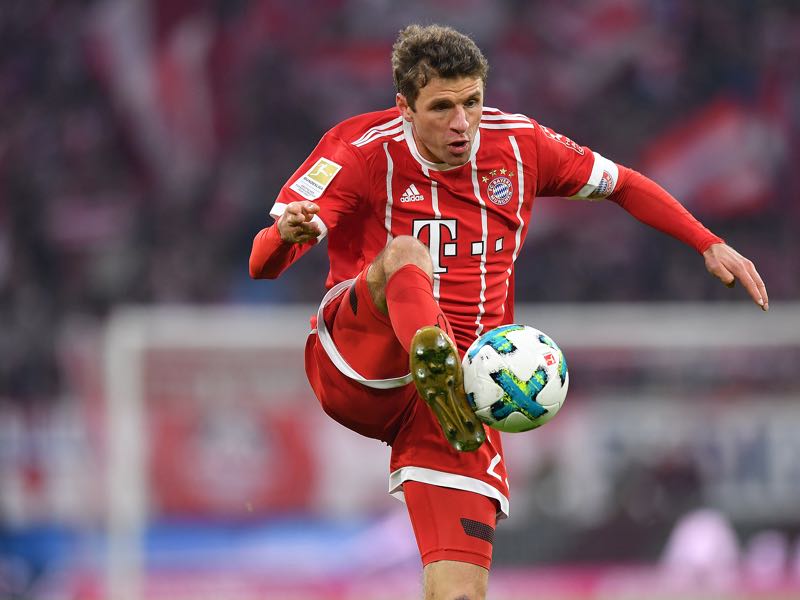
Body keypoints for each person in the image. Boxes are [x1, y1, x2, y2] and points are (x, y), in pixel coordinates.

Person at [249, 24, 769, 600]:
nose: (461, 123)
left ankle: (447, 376)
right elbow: (261, 264)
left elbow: (623, 183)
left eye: (472, 101)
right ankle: (434, 352)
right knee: (404, 255)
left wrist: (706, 241)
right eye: (442, 107)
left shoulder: (520, 146)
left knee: (461, 593)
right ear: (404, 108)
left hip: (458, 404)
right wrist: (285, 235)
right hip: (360, 362)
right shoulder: (359, 151)